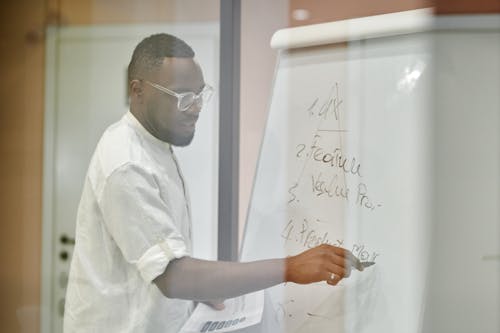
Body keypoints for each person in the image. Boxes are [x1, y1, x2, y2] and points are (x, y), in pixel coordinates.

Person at [63, 33, 363, 333]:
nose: (195, 108)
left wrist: (200, 289)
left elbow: (163, 263)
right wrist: (290, 267)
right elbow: (174, 276)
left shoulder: (154, 146)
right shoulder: (127, 163)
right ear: (138, 91)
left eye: (199, 94)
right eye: (183, 97)